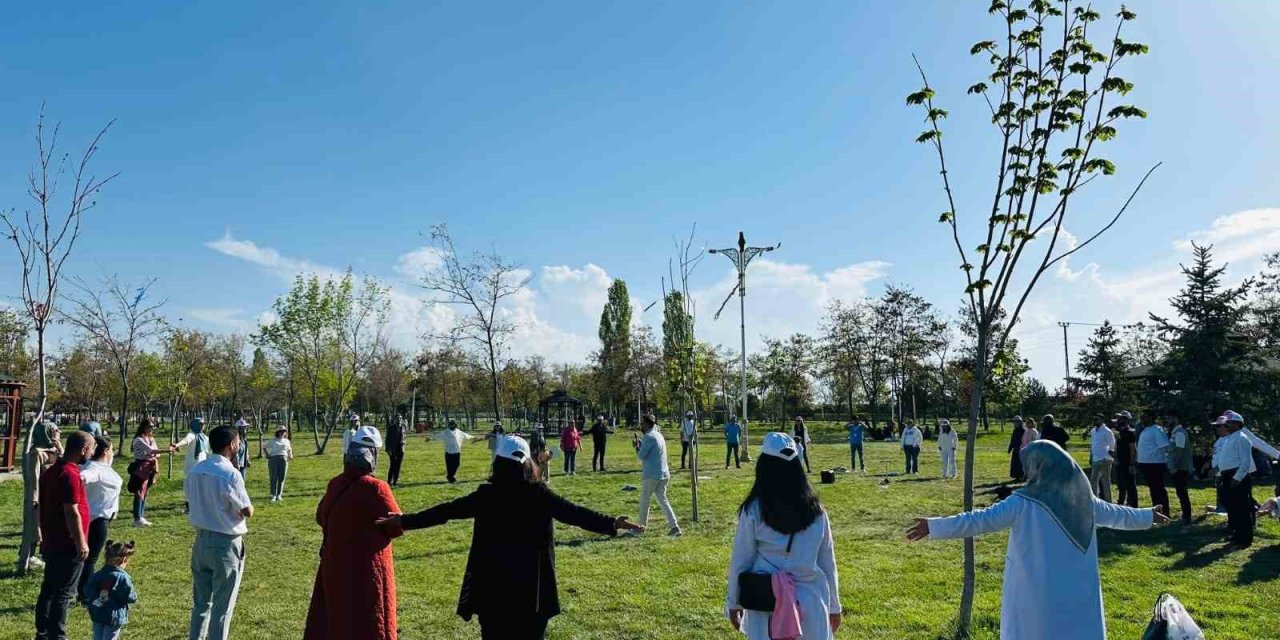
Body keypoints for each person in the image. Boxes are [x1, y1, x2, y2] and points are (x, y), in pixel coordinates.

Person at [381, 435, 644, 640]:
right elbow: (575, 514)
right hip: (532, 596)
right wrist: (612, 523)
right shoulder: (539, 495)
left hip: (493, 594)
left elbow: (445, 511)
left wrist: (404, 520)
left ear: (497, 462)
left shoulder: (487, 495)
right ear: (527, 463)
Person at [906, 441, 1168, 640]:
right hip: (1077, 591)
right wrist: (1146, 516)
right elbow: (1117, 515)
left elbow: (979, 520)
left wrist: (934, 526)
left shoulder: (1022, 503)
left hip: (1037, 592)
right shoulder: (1083, 501)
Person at [725, 432, 842, 640]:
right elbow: (827, 562)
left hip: (768, 605)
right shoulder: (817, 512)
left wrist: (733, 602)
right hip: (810, 602)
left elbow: (741, 559)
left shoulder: (754, 510)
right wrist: (834, 606)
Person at [304, 426, 403, 640]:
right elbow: (395, 526)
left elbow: (322, 517)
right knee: (369, 618)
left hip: (336, 562)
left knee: (338, 617)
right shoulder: (377, 488)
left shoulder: (336, 483)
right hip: (369, 567)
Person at [186, 425, 253, 640]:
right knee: (223, 606)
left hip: (201, 540)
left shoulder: (196, 470)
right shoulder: (230, 474)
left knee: (201, 603)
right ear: (232, 444)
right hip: (225, 542)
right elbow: (246, 510)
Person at [34, 430, 94, 640]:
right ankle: (57, 635)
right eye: (92, 449)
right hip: (67, 544)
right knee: (64, 593)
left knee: (49, 588)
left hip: (52, 540)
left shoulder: (52, 471)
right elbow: (71, 511)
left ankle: (43, 632)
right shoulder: (70, 474)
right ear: (84, 449)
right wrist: (81, 543)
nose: (92, 453)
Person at [78, 436, 123, 605]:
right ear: (105, 451)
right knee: (90, 559)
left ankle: (82, 591)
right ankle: (84, 594)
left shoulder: (100, 467)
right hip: (96, 519)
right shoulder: (94, 469)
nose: (112, 453)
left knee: (87, 558)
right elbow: (84, 476)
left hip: (97, 518)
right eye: (111, 449)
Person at [22, 421, 63, 571]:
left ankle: (46, 555)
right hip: (41, 495)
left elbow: (66, 466)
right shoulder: (37, 453)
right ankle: (29, 557)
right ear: (48, 432)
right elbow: (33, 478)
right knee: (36, 526)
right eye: (56, 430)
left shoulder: (56, 450)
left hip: (55, 495)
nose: (59, 432)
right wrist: (34, 499)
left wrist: (60, 449)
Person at [635, 414, 682, 536]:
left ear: (646, 424)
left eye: (642, 424)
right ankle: (675, 526)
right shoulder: (658, 435)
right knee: (663, 500)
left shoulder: (649, 437)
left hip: (652, 475)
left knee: (645, 500)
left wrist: (636, 447)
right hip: (664, 473)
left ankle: (640, 527)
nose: (641, 426)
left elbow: (641, 455)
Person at [84, 540, 139, 640]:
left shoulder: (97, 574)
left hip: (97, 613)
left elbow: (87, 590)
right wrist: (134, 596)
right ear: (123, 560)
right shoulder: (122, 578)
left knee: (97, 637)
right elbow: (128, 596)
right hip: (114, 615)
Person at [1218, 411, 1257, 548]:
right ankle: (1237, 534)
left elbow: (1245, 462)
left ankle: (1245, 539)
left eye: (1229, 422)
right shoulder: (1230, 438)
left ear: (1237, 424)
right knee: (1233, 507)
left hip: (1237, 476)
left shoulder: (1242, 438)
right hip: (1228, 475)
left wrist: (1237, 478)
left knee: (1242, 509)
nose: (1227, 424)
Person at [128, 418, 168, 528]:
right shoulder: (138, 440)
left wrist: (156, 454)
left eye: (153, 426)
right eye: (150, 426)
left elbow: (156, 452)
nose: (152, 428)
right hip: (141, 467)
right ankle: (137, 518)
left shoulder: (151, 439)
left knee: (145, 492)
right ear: (144, 427)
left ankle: (141, 515)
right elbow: (152, 451)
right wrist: (167, 450)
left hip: (150, 467)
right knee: (139, 492)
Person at [173, 418, 211, 515]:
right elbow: (185, 441)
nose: (202, 426)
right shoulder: (192, 435)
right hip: (192, 466)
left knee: (201, 487)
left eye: (203, 424)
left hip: (202, 466)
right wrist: (177, 445)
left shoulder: (205, 438)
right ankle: (189, 507)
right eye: (200, 424)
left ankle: (200, 506)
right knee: (190, 487)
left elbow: (206, 453)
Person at [1136, 409, 1171, 516]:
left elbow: (1165, 446)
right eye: (1141, 417)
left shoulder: (1157, 430)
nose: (1142, 419)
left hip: (1155, 464)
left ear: (1151, 417)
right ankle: (1157, 512)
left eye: (1144, 416)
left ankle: (1164, 513)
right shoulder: (1146, 430)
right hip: (1146, 464)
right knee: (1153, 489)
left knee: (1158, 489)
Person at [1165, 410, 1194, 524]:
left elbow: (1180, 451)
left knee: (1182, 492)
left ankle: (1186, 516)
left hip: (1180, 468)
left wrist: (1175, 467)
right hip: (1177, 468)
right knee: (1180, 492)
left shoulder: (1180, 433)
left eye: (1169, 418)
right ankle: (1185, 515)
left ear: (1175, 418)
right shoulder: (1175, 432)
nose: (1167, 421)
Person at [1088, 414, 1115, 503]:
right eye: (1094, 419)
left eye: (1097, 419)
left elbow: (1112, 445)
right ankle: (1095, 500)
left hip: (1105, 459)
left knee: (1105, 481)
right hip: (1096, 458)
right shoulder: (1093, 431)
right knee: (1093, 480)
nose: (1095, 421)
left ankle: (1108, 501)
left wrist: (1109, 455)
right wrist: (1091, 456)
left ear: (1102, 420)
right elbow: (1092, 445)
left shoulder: (1107, 431)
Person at [1114, 412, 1138, 507]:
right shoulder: (1118, 432)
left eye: (1122, 418)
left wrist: (1132, 464)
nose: (1119, 420)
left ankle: (1133, 505)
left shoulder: (1130, 433)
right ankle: (1120, 503)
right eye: (1119, 418)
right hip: (1119, 462)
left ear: (1127, 420)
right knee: (1120, 485)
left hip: (1128, 463)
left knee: (1130, 486)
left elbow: (1132, 449)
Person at [264, 428, 294, 502]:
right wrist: (267, 455)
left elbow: (289, 449)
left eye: (284, 431)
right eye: (282, 431)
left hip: (284, 459)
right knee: (273, 477)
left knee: (282, 477)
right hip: (274, 459)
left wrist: (290, 454)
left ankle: (279, 495)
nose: (283, 433)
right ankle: (273, 495)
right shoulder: (273, 440)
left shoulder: (287, 441)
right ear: (278, 432)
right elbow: (264, 447)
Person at [385, 414, 407, 488]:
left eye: (400, 418)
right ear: (395, 419)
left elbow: (404, 437)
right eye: (398, 418)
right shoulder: (391, 428)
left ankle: (395, 481)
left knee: (398, 466)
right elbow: (387, 440)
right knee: (392, 465)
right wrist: (388, 449)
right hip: (393, 449)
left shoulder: (403, 427)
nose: (399, 420)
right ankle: (389, 481)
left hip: (400, 449)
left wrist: (404, 443)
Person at [1007, 416, 1026, 480]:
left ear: (1020, 422)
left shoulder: (1024, 431)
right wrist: (1010, 448)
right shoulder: (1014, 430)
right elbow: (1012, 440)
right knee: (1015, 464)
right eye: (1015, 422)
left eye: (1017, 422)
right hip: (1015, 449)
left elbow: (1025, 440)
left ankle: (1022, 476)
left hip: (1021, 449)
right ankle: (1016, 476)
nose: (1016, 423)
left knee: (1021, 463)